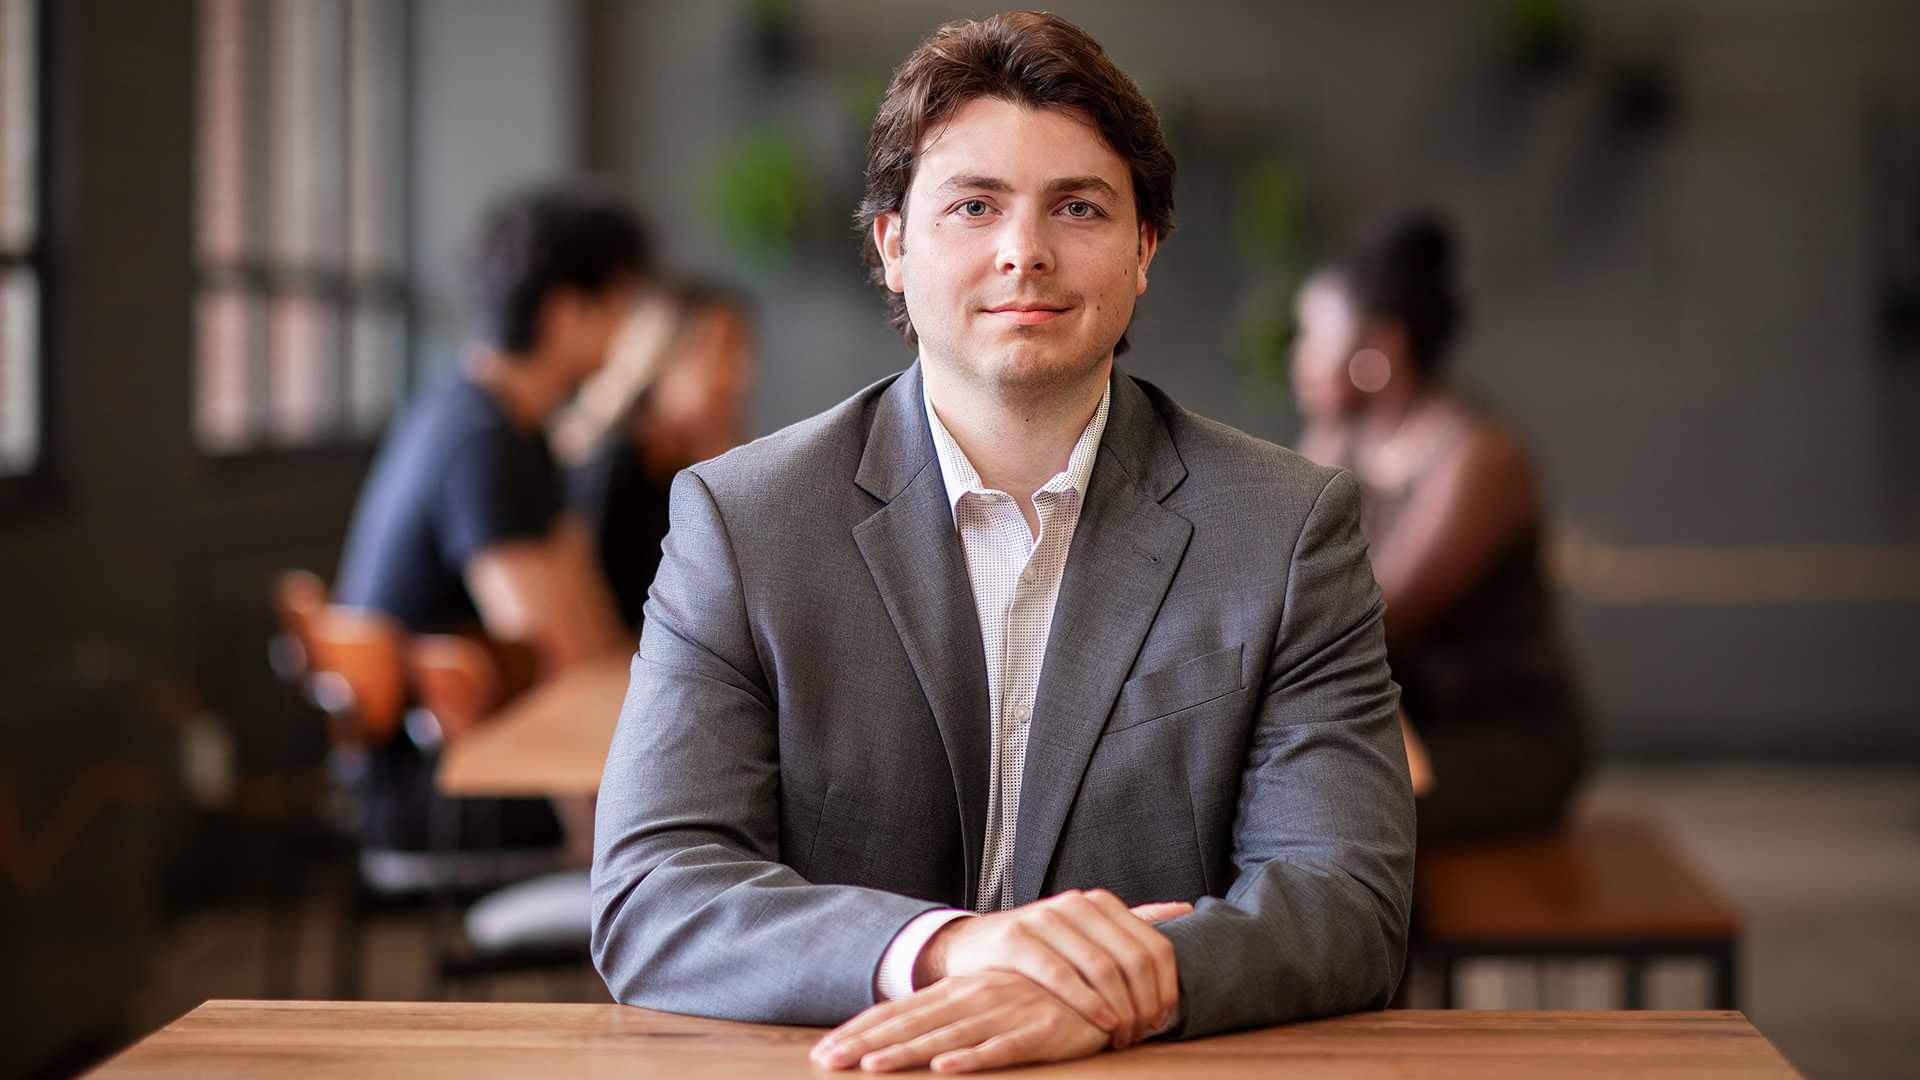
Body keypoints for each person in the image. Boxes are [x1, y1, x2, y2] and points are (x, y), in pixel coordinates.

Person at [590, 12, 1414, 1074]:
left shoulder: (1287, 527)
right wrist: (952, 952)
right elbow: (654, 890)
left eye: (1078, 207)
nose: (1024, 251)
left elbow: (1348, 899)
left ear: (1144, 249)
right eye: (973, 206)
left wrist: (1120, 993)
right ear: (892, 246)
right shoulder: (744, 520)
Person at [332, 182, 647, 854]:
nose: (625, 331)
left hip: (463, 754)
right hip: (442, 779)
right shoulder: (484, 445)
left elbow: (587, 623)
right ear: (567, 313)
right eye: (619, 305)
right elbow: (550, 658)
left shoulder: (501, 422)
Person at [1290, 212, 1586, 848]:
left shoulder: (1478, 457)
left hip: (1497, 739)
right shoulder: (1342, 435)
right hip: (1400, 719)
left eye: (1313, 337)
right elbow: (1288, 576)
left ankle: (1387, 951)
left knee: (1340, 817)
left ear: (1381, 350)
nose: (1299, 358)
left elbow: (1370, 615)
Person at [558, 283, 755, 630]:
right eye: (709, 348)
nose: (731, 373)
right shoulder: (610, 466)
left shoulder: (718, 468)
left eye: (738, 350)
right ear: (659, 355)